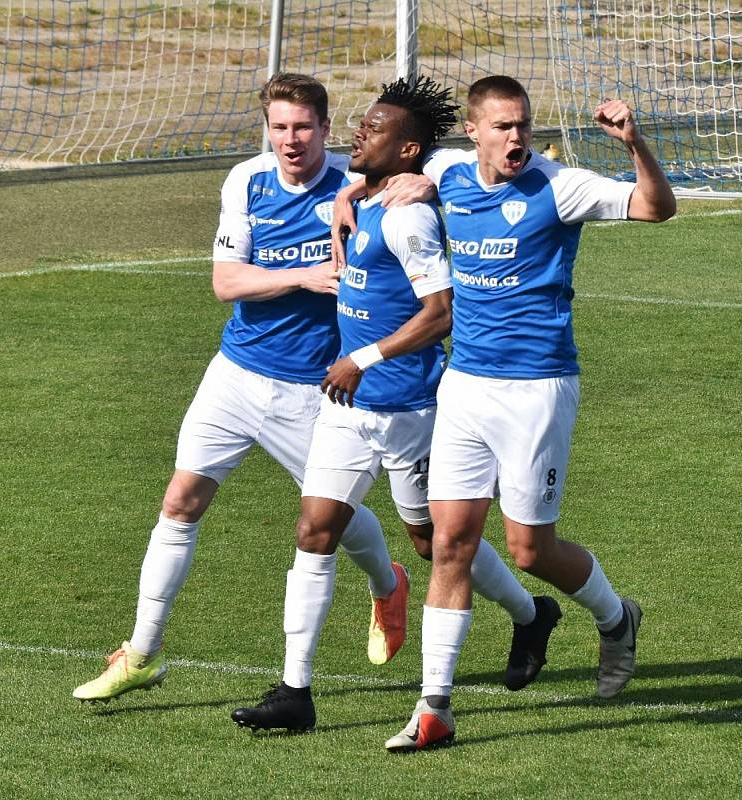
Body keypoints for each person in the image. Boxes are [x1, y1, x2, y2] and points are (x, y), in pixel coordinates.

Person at [333, 75, 676, 751]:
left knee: (528, 550)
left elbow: (654, 208)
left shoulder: (559, 186)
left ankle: (614, 618)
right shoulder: (447, 171)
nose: (514, 137)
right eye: (501, 127)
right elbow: (385, 174)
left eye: (521, 125)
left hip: (536, 390)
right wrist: (351, 195)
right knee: (449, 543)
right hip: (463, 388)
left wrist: (634, 144)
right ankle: (434, 708)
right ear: (474, 132)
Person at [230, 76, 562, 734]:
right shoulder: (361, 198)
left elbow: (440, 314)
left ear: (407, 151)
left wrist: (363, 358)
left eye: (374, 129)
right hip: (345, 410)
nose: (360, 133)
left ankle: (531, 615)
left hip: (409, 410)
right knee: (313, 531)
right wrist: (343, 208)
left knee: (429, 543)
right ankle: (295, 691)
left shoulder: (409, 218)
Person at [72, 73, 410, 704]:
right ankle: (141, 652)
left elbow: (436, 164)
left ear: (326, 130)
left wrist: (424, 177)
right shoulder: (246, 181)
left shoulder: (360, 183)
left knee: (332, 516)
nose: (291, 140)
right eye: (279, 127)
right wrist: (305, 276)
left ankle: (387, 585)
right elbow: (226, 283)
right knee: (181, 501)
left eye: (303, 127)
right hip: (233, 375)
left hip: (313, 389)